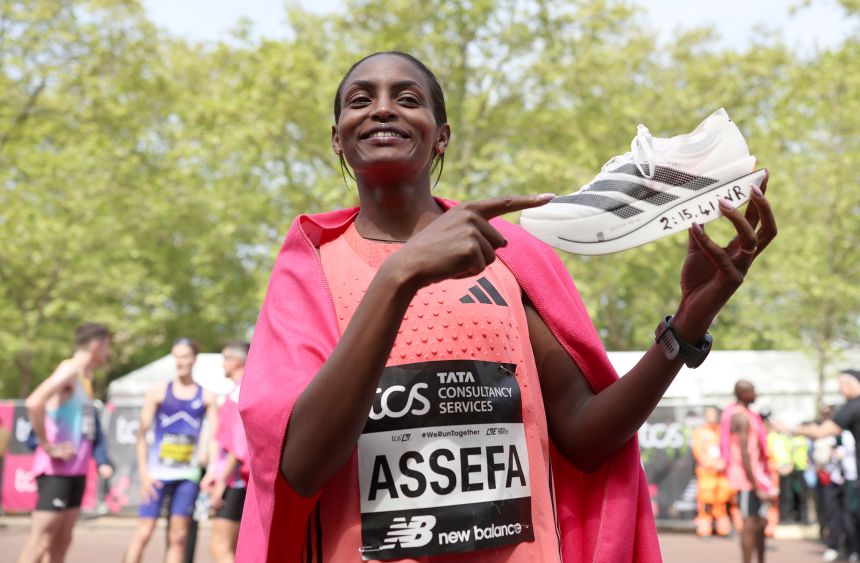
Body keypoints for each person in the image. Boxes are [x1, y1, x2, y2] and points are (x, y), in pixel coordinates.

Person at [236, 51, 777, 562]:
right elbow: (298, 468)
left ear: (441, 136)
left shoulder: (509, 257)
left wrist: (689, 321)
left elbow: (587, 436)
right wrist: (398, 276)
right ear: (337, 139)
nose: (382, 107)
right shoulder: (311, 267)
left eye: (407, 98)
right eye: (360, 99)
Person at [17, 323, 114, 563]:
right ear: (96, 346)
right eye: (107, 347)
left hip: (77, 472)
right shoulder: (69, 370)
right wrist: (48, 445)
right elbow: (34, 402)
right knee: (41, 542)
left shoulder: (86, 377)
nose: (108, 353)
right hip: (55, 472)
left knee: (62, 541)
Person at [123, 339, 218, 563]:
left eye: (185, 357)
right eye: (176, 357)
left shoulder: (206, 396)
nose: (180, 362)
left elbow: (215, 435)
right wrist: (144, 474)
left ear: (194, 359)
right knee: (144, 532)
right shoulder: (158, 392)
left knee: (179, 536)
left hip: (187, 476)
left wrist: (212, 469)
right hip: (157, 475)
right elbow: (141, 436)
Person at [200, 341, 251, 563]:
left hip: (234, 482)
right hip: (236, 480)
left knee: (219, 548)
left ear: (235, 361)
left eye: (224, 358)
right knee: (233, 548)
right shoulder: (242, 390)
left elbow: (237, 447)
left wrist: (220, 482)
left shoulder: (239, 393)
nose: (222, 364)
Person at [720, 381, 778, 563]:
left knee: (761, 523)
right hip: (747, 480)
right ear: (742, 393)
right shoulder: (740, 417)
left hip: (757, 477)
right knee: (749, 524)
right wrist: (756, 486)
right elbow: (744, 454)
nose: (756, 394)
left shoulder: (750, 415)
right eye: (752, 391)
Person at [692, 405, 732, 537]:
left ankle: (723, 529)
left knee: (722, 501)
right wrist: (713, 464)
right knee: (705, 502)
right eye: (709, 414)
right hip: (706, 473)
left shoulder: (722, 432)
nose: (712, 417)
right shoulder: (699, 432)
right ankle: (704, 530)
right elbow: (698, 452)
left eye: (714, 414)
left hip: (721, 474)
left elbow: (728, 449)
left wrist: (723, 463)